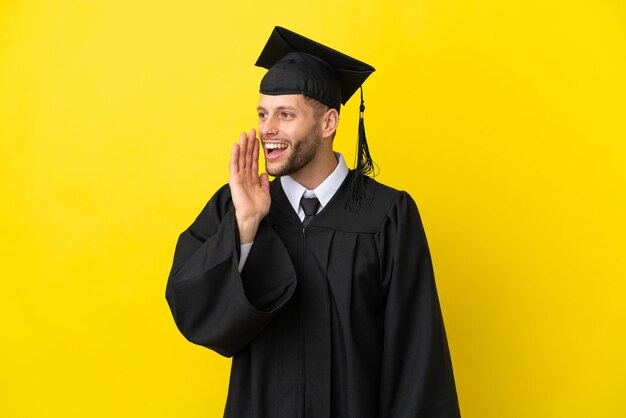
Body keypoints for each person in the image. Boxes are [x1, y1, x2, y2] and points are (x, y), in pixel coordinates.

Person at [166, 26, 461, 418]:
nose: (267, 129)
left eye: (285, 114)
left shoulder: (387, 215)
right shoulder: (236, 206)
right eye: (263, 114)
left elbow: (416, 358)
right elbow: (196, 316)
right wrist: (246, 226)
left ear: (328, 124)